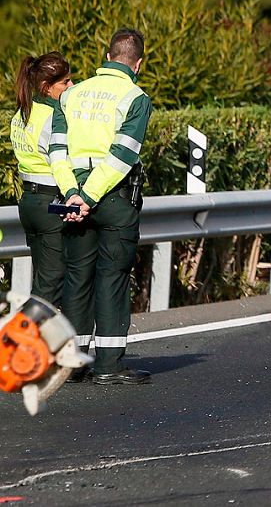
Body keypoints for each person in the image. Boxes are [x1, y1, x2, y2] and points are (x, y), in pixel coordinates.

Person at [58, 29, 152, 385]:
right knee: (112, 277)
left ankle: (74, 362)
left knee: (77, 277)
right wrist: (91, 196)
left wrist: (73, 193)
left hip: (72, 196)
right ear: (138, 63)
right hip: (112, 198)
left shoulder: (72, 94)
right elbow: (123, 156)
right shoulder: (136, 98)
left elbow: (57, 151)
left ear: (108, 55)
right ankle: (109, 365)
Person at [8, 53, 78, 305]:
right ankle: (20, 340)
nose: (72, 87)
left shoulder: (22, 114)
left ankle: (41, 341)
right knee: (51, 282)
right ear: (47, 87)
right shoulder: (52, 118)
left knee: (45, 278)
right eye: (66, 82)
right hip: (50, 201)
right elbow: (61, 160)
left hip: (30, 201)